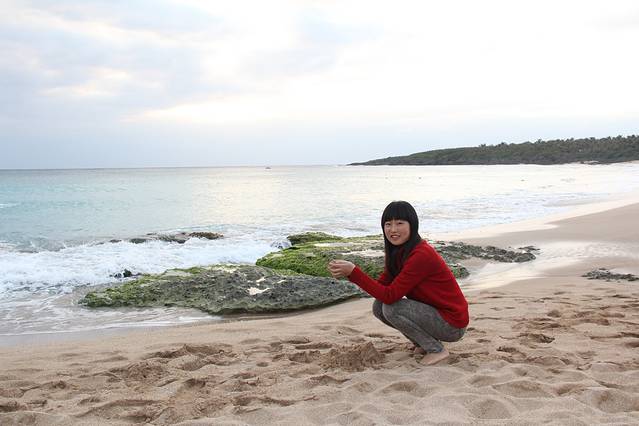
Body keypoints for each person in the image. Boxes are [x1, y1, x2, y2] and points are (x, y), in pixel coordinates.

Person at [327, 200, 469, 365]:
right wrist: (350, 274)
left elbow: (390, 296)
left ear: (412, 225)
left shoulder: (421, 254)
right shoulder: (398, 251)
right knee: (379, 306)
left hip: (452, 324)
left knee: (392, 308)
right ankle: (422, 343)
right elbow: (382, 287)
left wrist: (354, 272)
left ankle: (436, 350)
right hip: (435, 315)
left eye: (399, 223)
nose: (393, 229)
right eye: (388, 224)